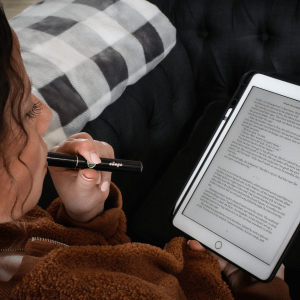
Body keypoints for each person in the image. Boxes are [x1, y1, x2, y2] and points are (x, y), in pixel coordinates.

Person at [0, 4, 291, 299]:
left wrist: (83, 217)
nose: (47, 115)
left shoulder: (13, 222)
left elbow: (79, 259)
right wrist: (261, 289)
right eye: (26, 111)